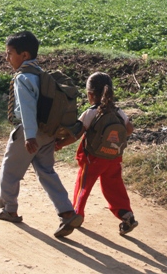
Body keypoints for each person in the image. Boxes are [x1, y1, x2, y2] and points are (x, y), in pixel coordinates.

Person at [0, 30, 83, 238]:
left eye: (9, 53)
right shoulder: (42, 75)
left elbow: (27, 108)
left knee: (10, 169)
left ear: (24, 55)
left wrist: (29, 136)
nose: (7, 58)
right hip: (48, 132)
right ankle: (67, 212)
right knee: (46, 171)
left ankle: (9, 209)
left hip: (29, 132)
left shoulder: (23, 78)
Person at [55, 72, 138, 236]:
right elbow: (129, 129)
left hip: (93, 159)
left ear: (90, 94)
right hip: (113, 158)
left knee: (83, 186)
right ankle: (127, 215)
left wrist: (59, 144)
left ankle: (76, 214)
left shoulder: (91, 112)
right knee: (114, 187)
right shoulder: (119, 112)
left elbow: (76, 134)